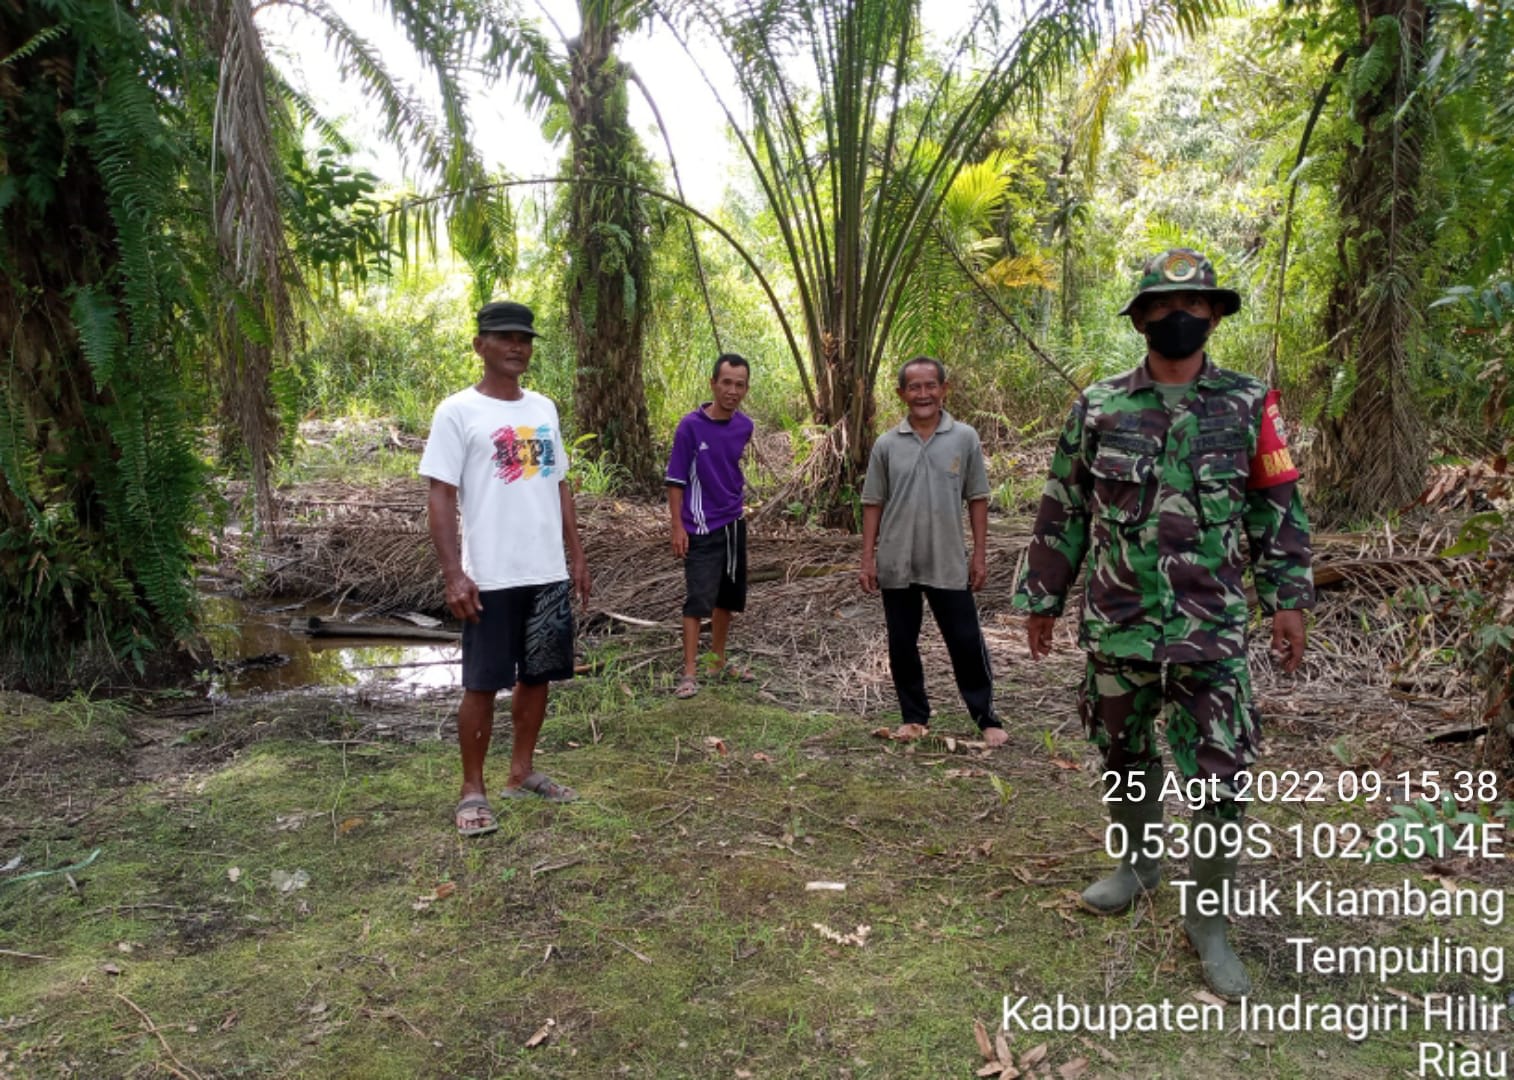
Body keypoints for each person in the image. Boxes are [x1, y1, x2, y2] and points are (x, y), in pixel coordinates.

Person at [1014, 249, 1313, 998]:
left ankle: (1207, 922)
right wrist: (1043, 596)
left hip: (1212, 631)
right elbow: (1064, 505)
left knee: (1222, 777)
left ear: (1213, 315)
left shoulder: (1250, 404)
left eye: (1193, 305)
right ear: (1141, 318)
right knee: (1122, 754)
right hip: (1120, 622)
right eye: (1163, 306)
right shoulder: (1100, 406)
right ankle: (1138, 865)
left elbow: (1276, 508)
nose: (1178, 316)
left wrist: (1289, 599)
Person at [419, 301, 591, 837]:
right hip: (490, 575)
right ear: (480, 345)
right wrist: (454, 573)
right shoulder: (457, 411)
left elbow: (559, 484)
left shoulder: (543, 408)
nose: (518, 346)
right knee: (482, 683)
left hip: (545, 571)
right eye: (505, 337)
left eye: (525, 338)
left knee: (538, 676)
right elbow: (440, 494)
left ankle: (522, 772)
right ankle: (473, 789)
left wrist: (575, 555)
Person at [859, 357, 1008, 748]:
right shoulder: (887, 444)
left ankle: (986, 717)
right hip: (897, 560)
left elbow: (977, 498)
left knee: (965, 639)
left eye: (930, 385)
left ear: (944, 389)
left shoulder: (964, 438)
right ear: (901, 394)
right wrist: (868, 559)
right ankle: (914, 717)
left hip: (947, 558)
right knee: (902, 643)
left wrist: (979, 554)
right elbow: (873, 502)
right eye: (914, 387)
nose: (923, 394)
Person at [665, 354, 756, 699]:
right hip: (701, 526)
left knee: (727, 597)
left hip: (733, 521)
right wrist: (677, 526)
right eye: (726, 382)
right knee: (698, 600)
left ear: (746, 388)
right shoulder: (690, 427)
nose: (732, 390)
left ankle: (716, 661)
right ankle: (689, 672)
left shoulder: (744, 427)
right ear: (713, 383)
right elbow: (676, 480)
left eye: (739, 384)